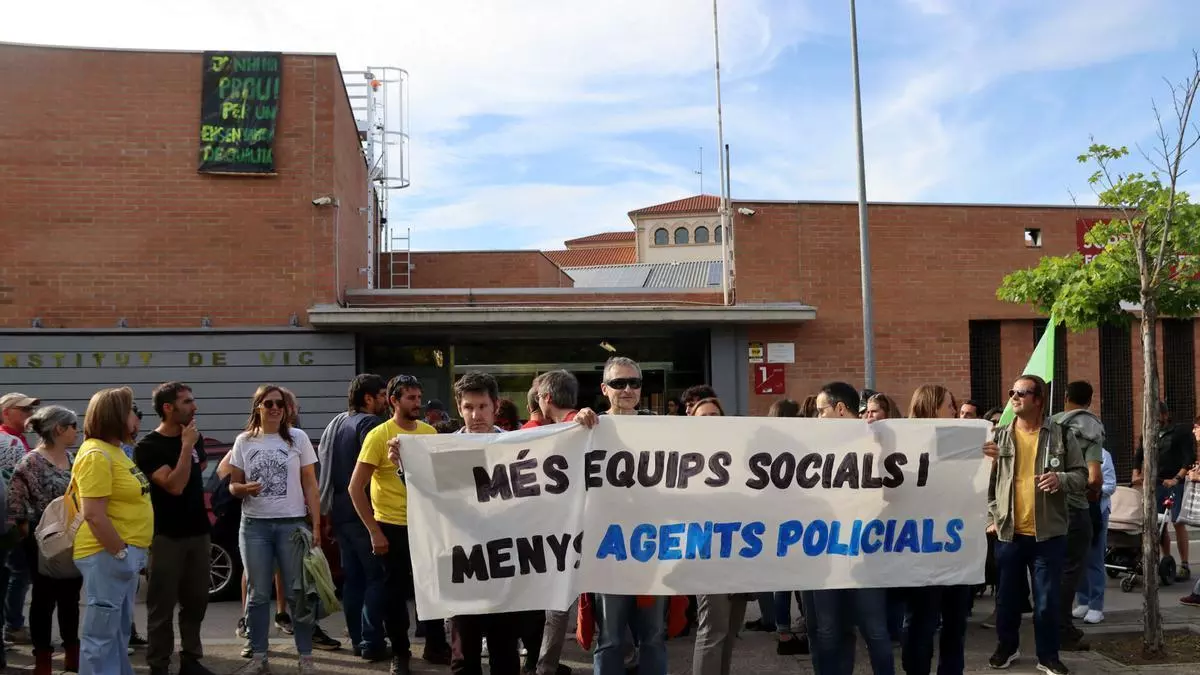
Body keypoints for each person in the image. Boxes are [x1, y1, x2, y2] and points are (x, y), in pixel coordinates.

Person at [983, 374, 1087, 675]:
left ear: (1039, 400)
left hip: (1048, 535)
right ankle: (1007, 647)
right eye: (1012, 392)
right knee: (1007, 600)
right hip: (1008, 533)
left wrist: (1061, 479)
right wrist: (991, 517)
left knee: (1046, 602)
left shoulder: (1061, 435)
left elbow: (1082, 476)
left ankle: (1048, 656)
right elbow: (987, 483)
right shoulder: (999, 436)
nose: (1014, 397)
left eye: (1022, 393)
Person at [349, 374, 447, 675]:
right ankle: (401, 652)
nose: (418, 403)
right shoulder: (379, 435)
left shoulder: (430, 432)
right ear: (394, 401)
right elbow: (355, 487)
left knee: (432, 589)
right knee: (394, 595)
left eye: (419, 397)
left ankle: (435, 646)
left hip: (426, 524)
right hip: (391, 525)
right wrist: (374, 531)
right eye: (411, 398)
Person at [226, 384, 323, 675]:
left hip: (291, 524)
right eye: (268, 403)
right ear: (258, 407)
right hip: (254, 525)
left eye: (280, 403)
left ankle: (305, 656)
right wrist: (244, 488)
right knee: (257, 594)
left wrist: (316, 524)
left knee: (298, 594)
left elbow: (310, 483)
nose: (275, 408)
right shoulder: (244, 441)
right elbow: (233, 485)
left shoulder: (298, 438)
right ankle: (259, 656)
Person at [805, 383, 894, 675]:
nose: (818, 418)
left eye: (821, 411)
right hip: (825, 552)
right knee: (829, 630)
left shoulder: (879, 439)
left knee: (874, 630)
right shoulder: (814, 445)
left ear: (840, 409)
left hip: (865, 551)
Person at [445, 371, 527, 675]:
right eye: (468, 407)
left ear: (495, 406)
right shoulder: (443, 450)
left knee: (504, 650)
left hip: (505, 559)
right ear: (459, 407)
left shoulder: (516, 448)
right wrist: (405, 466)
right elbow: (426, 495)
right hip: (462, 560)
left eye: (482, 406)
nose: (476, 415)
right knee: (464, 652)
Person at [133, 383, 216, 675]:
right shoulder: (149, 446)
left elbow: (199, 469)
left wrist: (190, 445)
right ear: (168, 408)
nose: (194, 407)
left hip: (199, 532)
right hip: (166, 535)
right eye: (187, 402)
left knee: (196, 602)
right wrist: (186, 447)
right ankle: (159, 665)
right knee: (162, 606)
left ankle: (191, 660)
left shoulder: (194, 437)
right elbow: (175, 485)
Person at [591, 357, 667, 675]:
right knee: (610, 638)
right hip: (608, 549)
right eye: (619, 383)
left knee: (653, 635)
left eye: (634, 383)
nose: (627, 389)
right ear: (604, 388)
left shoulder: (661, 427)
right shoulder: (590, 427)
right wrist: (575, 419)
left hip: (653, 546)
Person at [73, 386, 154, 675]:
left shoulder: (114, 450)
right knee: (101, 636)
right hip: (106, 553)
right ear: (116, 415)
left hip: (120, 554)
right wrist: (120, 553)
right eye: (131, 410)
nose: (136, 417)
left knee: (117, 633)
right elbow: (93, 514)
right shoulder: (96, 454)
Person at [901, 385, 972, 675]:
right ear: (931, 408)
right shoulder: (905, 445)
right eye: (950, 406)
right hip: (922, 549)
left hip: (957, 546)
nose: (955, 412)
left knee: (955, 622)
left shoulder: (962, 444)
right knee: (922, 621)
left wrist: (988, 461)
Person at [318, 374, 389, 662]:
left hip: (341, 512)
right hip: (364, 512)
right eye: (382, 395)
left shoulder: (338, 425)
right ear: (368, 398)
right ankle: (372, 641)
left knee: (353, 580)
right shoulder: (370, 425)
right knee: (376, 578)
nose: (386, 401)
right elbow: (375, 471)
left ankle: (359, 640)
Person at [9, 405, 81, 674]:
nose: (76, 431)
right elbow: (16, 503)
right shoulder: (31, 462)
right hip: (41, 541)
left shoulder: (72, 458)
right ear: (59, 429)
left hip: (71, 537)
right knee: (43, 599)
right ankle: (43, 659)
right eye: (72, 426)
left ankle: (72, 652)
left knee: (70, 598)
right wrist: (30, 536)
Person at [1051, 381, 1104, 650]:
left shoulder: (1050, 424)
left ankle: (1048, 625)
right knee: (1070, 569)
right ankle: (1061, 631)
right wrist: (1091, 491)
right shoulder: (1090, 427)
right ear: (1090, 400)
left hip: (1048, 507)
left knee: (1050, 570)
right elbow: (1094, 477)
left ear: (1065, 396)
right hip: (1075, 507)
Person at [1132, 401, 1195, 582]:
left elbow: (1189, 458)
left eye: (1156, 416)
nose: (1154, 420)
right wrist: (1136, 474)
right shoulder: (1148, 432)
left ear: (1165, 415)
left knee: (1177, 521)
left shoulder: (1180, 432)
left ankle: (1184, 565)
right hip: (1156, 483)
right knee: (1159, 523)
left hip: (1174, 482)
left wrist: (1177, 478)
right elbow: (1139, 455)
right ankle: (1166, 561)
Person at [0, 392, 39, 648]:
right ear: (6, 412)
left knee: (15, 572)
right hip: (12, 520)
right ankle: (13, 625)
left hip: (11, 519)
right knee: (18, 572)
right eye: (23, 410)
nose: (29, 415)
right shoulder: (9, 443)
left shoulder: (17, 440)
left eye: (30, 410)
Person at [1074, 448, 1116, 623]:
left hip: (1096, 512)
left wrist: (1090, 489)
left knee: (1094, 558)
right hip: (1076, 512)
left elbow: (1110, 485)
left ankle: (1096, 606)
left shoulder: (1102, 454)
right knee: (1078, 558)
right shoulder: (1073, 452)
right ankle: (1083, 601)